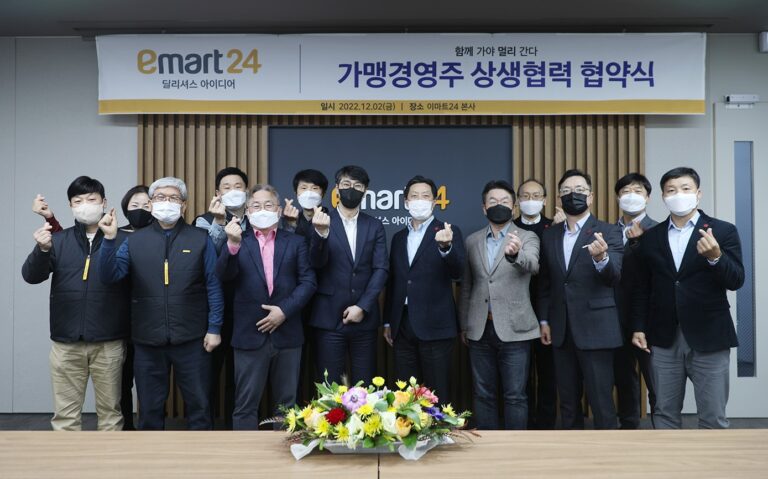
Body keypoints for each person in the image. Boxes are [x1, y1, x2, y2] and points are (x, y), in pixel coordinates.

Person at [99, 176, 224, 430]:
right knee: (149, 410)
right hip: (147, 340)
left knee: (200, 407)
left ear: (184, 205)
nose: (167, 202)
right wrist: (109, 240)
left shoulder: (200, 238)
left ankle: (204, 455)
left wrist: (214, 328)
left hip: (193, 338)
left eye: (173, 198)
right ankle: (150, 456)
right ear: (151, 204)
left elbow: (213, 285)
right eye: (160, 198)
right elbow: (110, 276)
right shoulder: (134, 240)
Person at [632, 167, 744, 429]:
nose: (678, 195)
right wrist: (638, 326)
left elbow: (736, 280)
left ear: (698, 193)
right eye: (671, 190)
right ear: (663, 197)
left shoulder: (723, 231)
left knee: (713, 415)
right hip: (663, 336)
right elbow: (642, 288)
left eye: (685, 189)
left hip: (709, 334)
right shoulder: (652, 237)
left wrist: (716, 257)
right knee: (664, 413)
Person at [22, 176, 129, 431]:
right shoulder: (59, 240)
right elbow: (31, 276)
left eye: (91, 199)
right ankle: (67, 458)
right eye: (78, 201)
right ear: (70, 206)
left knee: (111, 414)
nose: (85, 205)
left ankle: (110, 459)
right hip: (66, 342)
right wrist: (42, 250)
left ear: (104, 202)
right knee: (65, 416)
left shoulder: (123, 239)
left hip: (108, 341)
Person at [216, 184, 316, 429]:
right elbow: (224, 277)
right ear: (247, 212)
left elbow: (308, 282)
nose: (262, 210)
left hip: (288, 334)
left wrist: (284, 311)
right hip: (249, 335)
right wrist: (232, 245)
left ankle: (284, 452)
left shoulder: (296, 242)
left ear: (279, 211)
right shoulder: (238, 240)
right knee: (245, 405)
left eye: (268, 205)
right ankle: (246, 453)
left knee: (287, 406)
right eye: (256, 206)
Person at [538, 169, 623, 430]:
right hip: (561, 330)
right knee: (567, 403)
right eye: (565, 191)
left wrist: (601, 258)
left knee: (601, 403)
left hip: (596, 329)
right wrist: (544, 320)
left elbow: (614, 276)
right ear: (558, 198)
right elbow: (546, 283)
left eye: (579, 190)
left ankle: (607, 453)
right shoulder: (550, 234)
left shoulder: (608, 231)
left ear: (591, 197)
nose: (572, 195)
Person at [459, 180, 540, 430]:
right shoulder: (472, 241)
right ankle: (487, 447)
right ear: (484, 208)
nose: (499, 205)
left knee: (515, 396)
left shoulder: (527, 236)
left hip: (516, 329)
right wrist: (464, 325)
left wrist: (515, 255)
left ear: (514, 207)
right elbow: (467, 286)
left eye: (505, 201)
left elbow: (533, 265)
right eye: (493, 201)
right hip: (479, 329)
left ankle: (514, 447)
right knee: (483, 394)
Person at [383, 175, 465, 404]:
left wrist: (446, 247)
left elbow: (458, 272)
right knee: (405, 395)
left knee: (436, 393)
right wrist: (388, 321)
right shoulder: (399, 237)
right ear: (406, 202)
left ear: (434, 201)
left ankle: (437, 427)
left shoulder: (449, 231)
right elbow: (394, 281)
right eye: (414, 196)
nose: (420, 200)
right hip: (402, 325)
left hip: (436, 325)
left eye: (425, 196)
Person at [308, 165, 388, 384]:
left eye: (357, 186)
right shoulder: (322, 221)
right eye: (346, 184)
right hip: (328, 318)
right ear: (337, 188)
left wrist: (362, 307)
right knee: (330, 387)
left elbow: (381, 269)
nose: (351, 189)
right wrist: (321, 234)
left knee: (366, 387)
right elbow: (315, 263)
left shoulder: (374, 225)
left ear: (365, 191)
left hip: (364, 319)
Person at [195, 166, 250, 428]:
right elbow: (211, 260)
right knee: (208, 375)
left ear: (246, 191)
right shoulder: (203, 221)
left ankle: (234, 429)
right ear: (217, 192)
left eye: (238, 186)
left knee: (239, 378)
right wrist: (218, 223)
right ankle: (207, 431)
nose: (233, 191)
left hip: (248, 310)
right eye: (226, 187)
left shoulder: (258, 219)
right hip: (213, 311)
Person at [513, 178, 559, 430]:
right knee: (520, 376)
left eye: (536, 196)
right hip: (516, 311)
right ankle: (525, 423)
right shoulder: (509, 228)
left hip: (548, 311)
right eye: (525, 196)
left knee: (548, 372)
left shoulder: (555, 227)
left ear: (545, 200)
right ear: (518, 200)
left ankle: (546, 425)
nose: (531, 200)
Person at [612, 173, 658, 429]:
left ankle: (663, 429)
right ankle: (628, 428)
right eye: (626, 191)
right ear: (618, 198)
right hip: (616, 316)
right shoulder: (606, 231)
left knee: (656, 379)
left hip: (650, 318)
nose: (631, 196)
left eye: (638, 191)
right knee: (624, 378)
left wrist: (638, 243)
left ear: (648, 198)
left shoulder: (659, 230)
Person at [115, 185, 153, 430]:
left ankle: (150, 429)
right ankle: (126, 428)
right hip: (120, 320)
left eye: (147, 205)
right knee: (121, 381)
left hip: (151, 320)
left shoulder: (162, 235)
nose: (141, 209)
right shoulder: (114, 234)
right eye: (135, 205)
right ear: (125, 208)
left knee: (150, 382)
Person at [282, 169, 330, 239]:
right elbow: (285, 244)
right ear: (296, 193)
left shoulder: (333, 220)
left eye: (314, 188)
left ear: (323, 193)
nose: (309, 193)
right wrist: (290, 225)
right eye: (304, 188)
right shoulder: (291, 220)